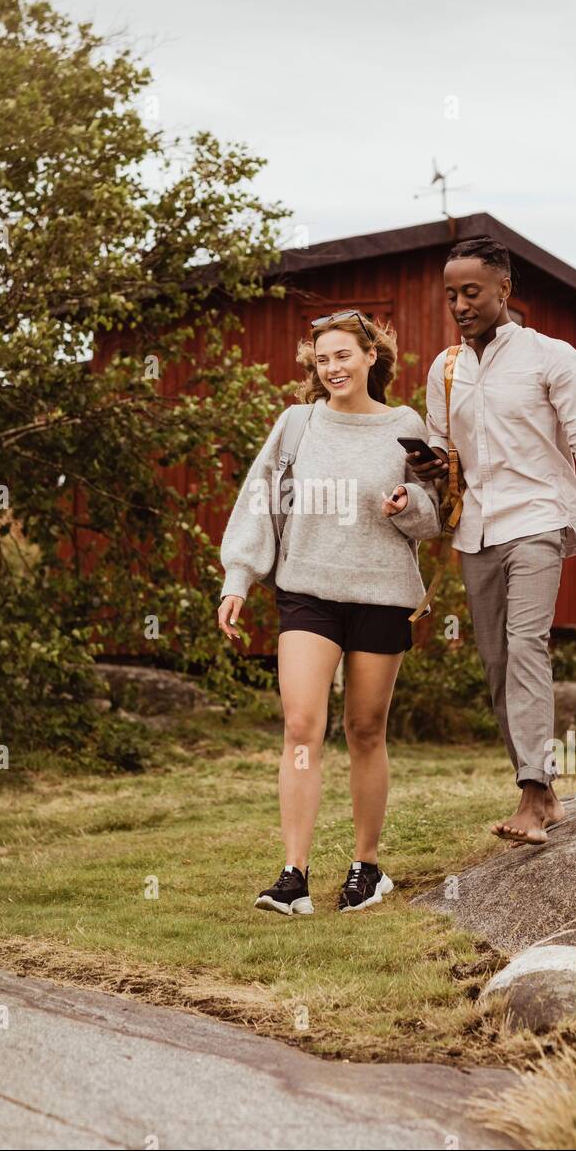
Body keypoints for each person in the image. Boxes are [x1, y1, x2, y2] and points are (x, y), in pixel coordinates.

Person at [412, 237, 576, 845]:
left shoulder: (552, 357)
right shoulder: (445, 369)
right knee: (497, 664)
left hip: (539, 521)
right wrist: (430, 467)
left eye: (472, 292)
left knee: (526, 647)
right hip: (476, 529)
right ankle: (546, 792)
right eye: (451, 295)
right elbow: (444, 449)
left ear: (504, 290)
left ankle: (532, 796)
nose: (460, 305)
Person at [218, 310, 442, 913]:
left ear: (372, 357)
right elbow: (260, 499)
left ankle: (366, 869)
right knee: (301, 726)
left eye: (343, 355)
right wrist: (238, 577)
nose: (333, 367)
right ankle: (293, 876)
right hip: (307, 590)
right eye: (322, 359)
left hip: (383, 592)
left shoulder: (406, 425)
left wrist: (410, 502)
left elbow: (436, 514)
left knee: (366, 730)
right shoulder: (297, 426)